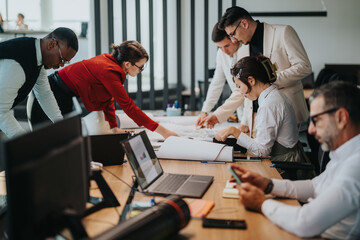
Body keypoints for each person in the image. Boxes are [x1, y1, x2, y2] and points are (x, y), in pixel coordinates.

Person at [229, 81, 360, 239]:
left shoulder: (355, 165)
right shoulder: (345, 152)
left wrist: (261, 203)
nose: (310, 130)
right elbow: (314, 186)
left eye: (316, 121)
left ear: (341, 118)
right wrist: (268, 184)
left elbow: (305, 223)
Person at [28, 40, 178, 139]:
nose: (141, 70)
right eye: (140, 67)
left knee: (67, 141)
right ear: (127, 64)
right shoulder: (109, 70)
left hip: (61, 94)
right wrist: (164, 132)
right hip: (50, 95)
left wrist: (114, 128)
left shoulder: (110, 64)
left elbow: (108, 98)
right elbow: (129, 107)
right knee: (50, 144)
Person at [202, 6, 311, 129]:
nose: (234, 40)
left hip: (286, 111)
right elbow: (243, 88)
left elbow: (304, 66)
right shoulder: (242, 50)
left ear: (244, 23)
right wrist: (219, 115)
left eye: (233, 34)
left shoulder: (283, 32)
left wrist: (267, 80)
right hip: (255, 116)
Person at [215, 56, 310, 179]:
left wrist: (234, 131)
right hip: (288, 160)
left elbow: (262, 151)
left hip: (285, 168)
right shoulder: (276, 96)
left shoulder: (269, 104)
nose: (240, 91)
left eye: (239, 86)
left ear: (251, 80)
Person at [0, 27, 78, 138]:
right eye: (61, 59)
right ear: (52, 44)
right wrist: (26, 142)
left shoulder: (36, 57)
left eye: (65, 62)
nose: (60, 65)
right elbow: (1, 112)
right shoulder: (19, 63)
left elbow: (44, 94)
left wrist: (61, 125)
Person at [196, 22, 246, 130]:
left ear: (234, 38)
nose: (224, 51)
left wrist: (218, 115)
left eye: (227, 45)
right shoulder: (221, 53)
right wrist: (205, 111)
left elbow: (244, 90)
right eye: (220, 47)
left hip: (252, 110)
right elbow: (217, 83)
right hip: (240, 112)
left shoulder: (247, 51)